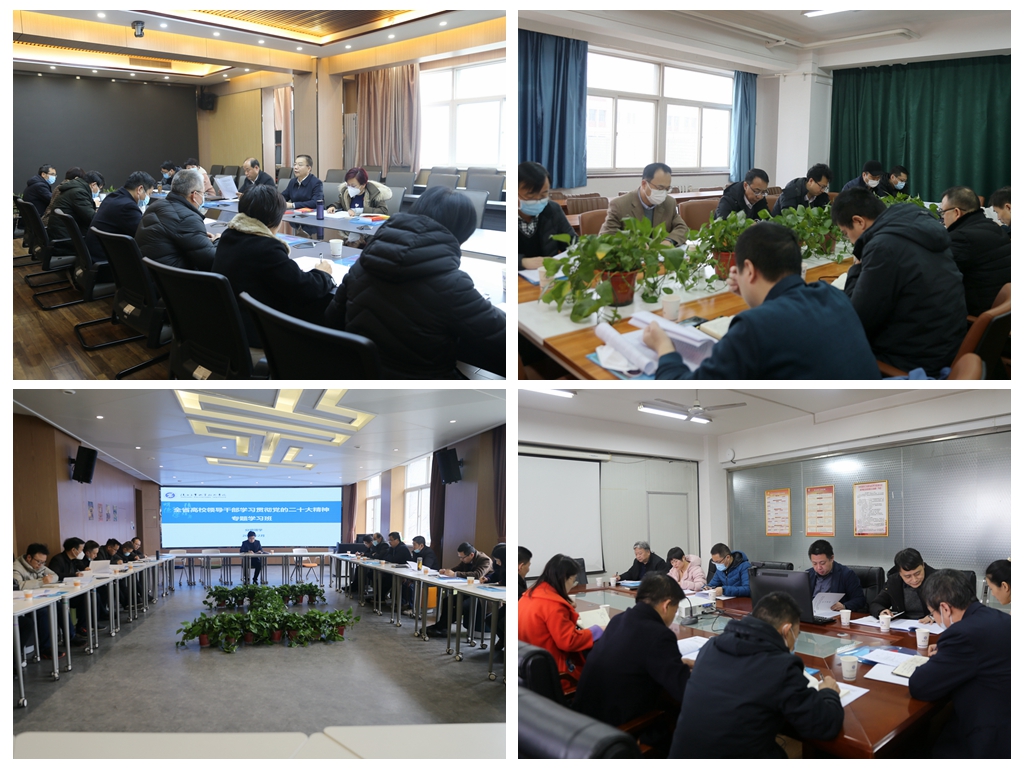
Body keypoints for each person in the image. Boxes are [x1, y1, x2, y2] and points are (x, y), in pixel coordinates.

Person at [643, 222, 880, 379]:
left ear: (749, 269)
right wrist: (752, 294)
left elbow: (689, 389)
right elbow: (784, 316)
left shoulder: (752, 327)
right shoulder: (832, 295)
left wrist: (664, 346)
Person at [322, 185, 506, 379]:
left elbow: (332, 318)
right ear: (460, 234)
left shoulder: (364, 263)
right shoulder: (452, 284)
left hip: (360, 371)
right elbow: (502, 337)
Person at [668, 591, 843, 758]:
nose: (794, 641)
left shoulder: (712, 647)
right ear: (786, 630)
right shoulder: (780, 666)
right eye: (796, 635)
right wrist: (828, 692)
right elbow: (823, 726)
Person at [832, 187, 967, 376]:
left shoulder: (883, 246)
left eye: (846, 233)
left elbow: (857, 320)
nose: (850, 240)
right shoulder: (915, 227)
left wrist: (857, 265)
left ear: (859, 222)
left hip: (916, 360)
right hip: (945, 344)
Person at [212, 184, 334, 348]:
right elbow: (305, 288)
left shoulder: (229, 234)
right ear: (274, 218)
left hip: (228, 328)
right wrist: (323, 274)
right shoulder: (266, 247)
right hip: (257, 335)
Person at [574, 574, 690, 739]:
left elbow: (636, 659)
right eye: (675, 610)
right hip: (617, 733)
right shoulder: (659, 635)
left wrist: (676, 663)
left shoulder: (618, 620)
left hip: (583, 723)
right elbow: (684, 690)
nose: (674, 616)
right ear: (666, 605)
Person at [908, 569, 1010, 758]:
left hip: (990, 739)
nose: (935, 618)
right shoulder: (1000, 618)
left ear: (945, 608)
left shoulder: (962, 634)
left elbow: (920, 686)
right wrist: (948, 653)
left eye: (933, 613)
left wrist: (942, 656)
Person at [518, 553, 599, 690]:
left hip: (529, 668)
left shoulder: (529, 595)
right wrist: (596, 631)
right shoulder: (554, 605)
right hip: (555, 671)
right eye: (573, 580)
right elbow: (569, 641)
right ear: (565, 578)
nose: (573, 585)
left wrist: (564, 601)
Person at [940, 185, 1011, 316]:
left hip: (977, 313)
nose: (942, 218)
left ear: (956, 212)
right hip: (1001, 312)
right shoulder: (994, 227)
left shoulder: (961, 238)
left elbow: (937, 277)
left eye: (943, 213)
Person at [136, 168, 217, 271]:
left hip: (148, 272)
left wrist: (199, 237)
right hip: (172, 278)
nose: (203, 196)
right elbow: (212, 262)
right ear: (194, 195)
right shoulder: (188, 218)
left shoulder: (156, 205)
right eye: (203, 193)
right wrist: (217, 241)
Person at [600, 162, 689, 245]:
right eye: (660, 187)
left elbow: (682, 228)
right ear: (644, 184)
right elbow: (606, 237)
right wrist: (635, 245)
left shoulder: (669, 202)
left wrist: (669, 241)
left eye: (667, 189)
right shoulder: (619, 205)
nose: (663, 192)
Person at [84, 171, 156, 266]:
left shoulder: (113, 197)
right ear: (140, 189)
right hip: (107, 263)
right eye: (149, 194)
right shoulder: (128, 207)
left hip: (95, 257)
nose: (148, 198)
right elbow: (144, 236)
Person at [424, 542, 493, 637]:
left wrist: (455, 574)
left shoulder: (485, 560)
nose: (461, 559)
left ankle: (441, 626)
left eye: (462, 557)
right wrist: (446, 571)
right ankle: (442, 627)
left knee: (461, 605)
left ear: (471, 555)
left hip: (482, 595)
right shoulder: (466, 559)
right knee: (447, 600)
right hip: (470, 591)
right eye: (460, 557)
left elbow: (477, 575)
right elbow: (457, 568)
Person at [517, 161, 575, 270]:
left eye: (544, 195)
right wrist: (521, 261)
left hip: (549, 273)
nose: (538, 200)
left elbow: (571, 242)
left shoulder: (553, 210)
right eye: (531, 195)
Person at [14, 544, 62, 660]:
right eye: (39, 562)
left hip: (37, 597)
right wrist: (41, 581)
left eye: (43, 562)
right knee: (43, 612)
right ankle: (45, 648)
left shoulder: (40, 565)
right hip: (23, 603)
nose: (40, 565)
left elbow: (55, 576)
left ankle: (71, 636)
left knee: (58, 605)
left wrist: (48, 579)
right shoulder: (16, 567)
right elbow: (17, 585)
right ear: (29, 558)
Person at [46, 170, 104, 256]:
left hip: (61, 235)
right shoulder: (78, 192)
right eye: (100, 188)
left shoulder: (74, 188)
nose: (99, 191)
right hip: (66, 241)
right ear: (93, 184)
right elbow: (91, 218)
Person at [869, 547, 936, 621]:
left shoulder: (937, 580)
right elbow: (876, 604)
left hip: (930, 625)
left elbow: (946, 607)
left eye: (917, 573)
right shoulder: (894, 581)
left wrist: (934, 616)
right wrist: (881, 611)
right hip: (902, 625)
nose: (914, 580)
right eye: (908, 576)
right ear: (899, 573)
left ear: (923, 565)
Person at [805, 539, 867, 611]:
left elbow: (860, 599)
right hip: (811, 613)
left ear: (831, 558)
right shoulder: (808, 575)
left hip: (834, 614)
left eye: (822, 563)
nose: (819, 567)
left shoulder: (846, 574)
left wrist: (844, 606)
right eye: (814, 563)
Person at [326, 167, 392, 215]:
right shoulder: (346, 192)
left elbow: (384, 211)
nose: (349, 188)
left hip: (367, 226)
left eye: (353, 186)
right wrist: (333, 207)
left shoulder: (374, 193)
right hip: (348, 225)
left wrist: (361, 210)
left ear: (363, 185)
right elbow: (341, 203)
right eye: (348, 185)